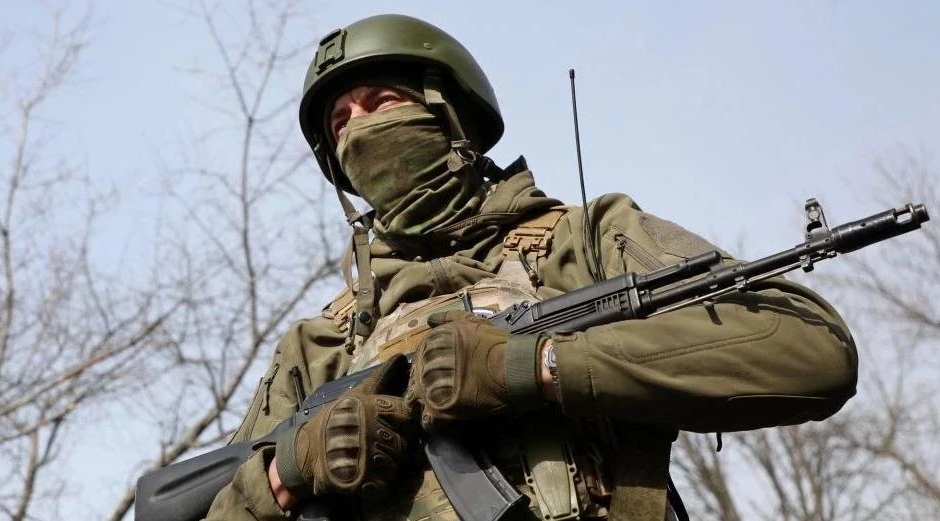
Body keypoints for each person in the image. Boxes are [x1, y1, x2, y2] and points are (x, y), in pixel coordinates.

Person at [205, 14, 857, 521]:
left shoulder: (583, 240)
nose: (358, 129)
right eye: (340, 121)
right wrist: (286, 474)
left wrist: (534, 366)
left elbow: (809, 348)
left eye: (381, 102)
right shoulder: (322, 346)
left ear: (447, 111)